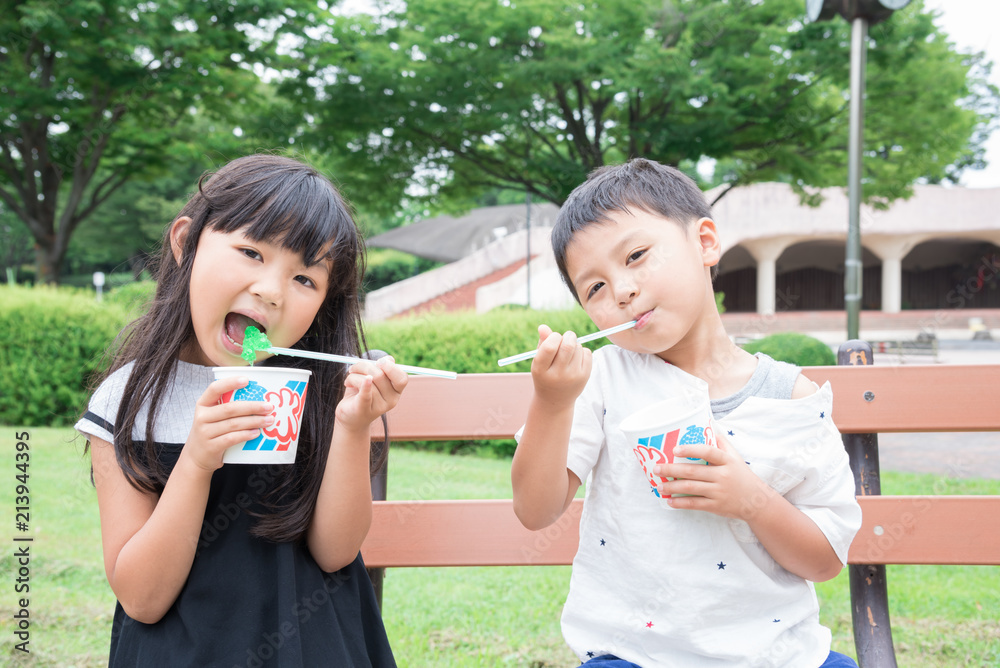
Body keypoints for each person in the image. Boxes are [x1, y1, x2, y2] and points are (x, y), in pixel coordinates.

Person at [510, 158, 862, 668]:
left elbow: (826, 559)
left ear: (704, 243)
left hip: (778, 656)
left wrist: (752, 501)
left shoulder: (791, 398)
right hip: (632, 655)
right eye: (595, 289)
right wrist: (551, 402)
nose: (623, 292)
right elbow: (534, 510)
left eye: (635, 256)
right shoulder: (600, 381)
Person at [76, 154, 403, 667]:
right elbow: (142, 597)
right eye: (251, 251)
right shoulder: (127, 401)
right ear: (184, 243)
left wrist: (353, 425)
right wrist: (197, 462)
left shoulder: (318, 393)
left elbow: (335, 552)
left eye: (305, 279)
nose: (270, 291)